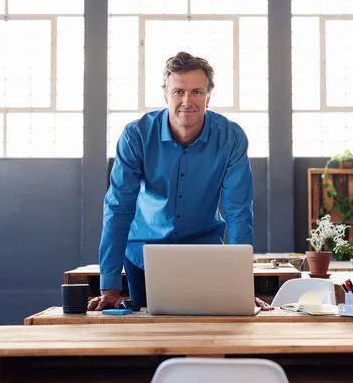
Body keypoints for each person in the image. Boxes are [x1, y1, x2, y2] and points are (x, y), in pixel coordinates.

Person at [87, 51, 273, 312]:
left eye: (196, 91)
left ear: (208, 97)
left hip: (204, 254)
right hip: (143, 253)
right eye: (178, 92)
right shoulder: (136, 136)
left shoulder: (231, 138)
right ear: (166, 95)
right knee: (146, 336)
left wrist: (242, 286)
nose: (187, 100)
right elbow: (118, 209)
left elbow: (238, 213)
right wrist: (109, 286)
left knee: (211, 334)